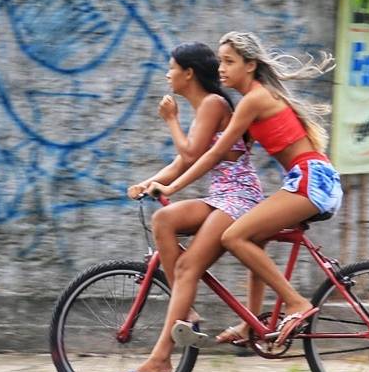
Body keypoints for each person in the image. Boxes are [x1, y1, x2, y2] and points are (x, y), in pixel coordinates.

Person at [145, 30, 341, 352]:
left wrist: (173, 186)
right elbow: (208, 152)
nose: (221, 68)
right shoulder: (248, 104)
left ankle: (296, 303)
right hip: (307, 179)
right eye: (220, 61)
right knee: (254, 238)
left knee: (233, 237)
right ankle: (252, 325)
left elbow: (212, 153)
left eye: (229, 61)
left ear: (249, 65)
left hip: (311, 180)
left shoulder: (254, 99)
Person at [117, 42, 266, 372]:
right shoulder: (206, 107)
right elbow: (185, 162)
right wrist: (150, 182)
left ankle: (161, 357)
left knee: (187, 268)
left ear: (188, 73)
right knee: (164, 221)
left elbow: (192, 151)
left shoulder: (213, 104)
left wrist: (171, 121)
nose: (168, 74)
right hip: (221, 197)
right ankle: (185, 311)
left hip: (239, 197)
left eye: (172, 68)